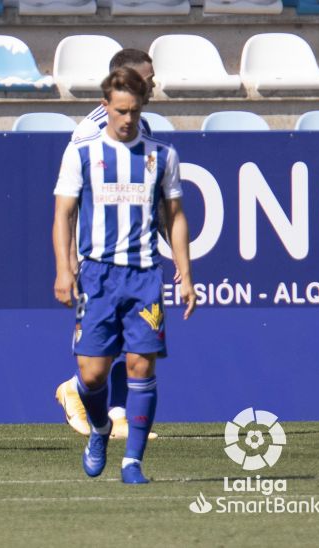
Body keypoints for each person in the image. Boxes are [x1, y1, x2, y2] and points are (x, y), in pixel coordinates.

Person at [52, 67, 196, 483]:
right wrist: (65, 268)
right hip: (97, 276)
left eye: (134, 110)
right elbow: (63, 214)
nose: (127, 119)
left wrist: (184, 272)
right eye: (119, 110)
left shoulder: (161, 156)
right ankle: (99, 430)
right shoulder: (82, 153)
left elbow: (176, 216)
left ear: (142, 107)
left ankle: (133, 461)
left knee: (140, 367)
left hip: (145, 275)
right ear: (106, 106)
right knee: (93, 374)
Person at [55, 49, 163, 439]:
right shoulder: (88, 133)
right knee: (108, 339)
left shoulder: (142, 127)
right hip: (96, 254)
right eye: (149, 76)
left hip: (135, 254)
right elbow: (71, 205)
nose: (155, 83)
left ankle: (116, 412)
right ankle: (77, 390)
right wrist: (69, 264)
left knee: (134, 336)